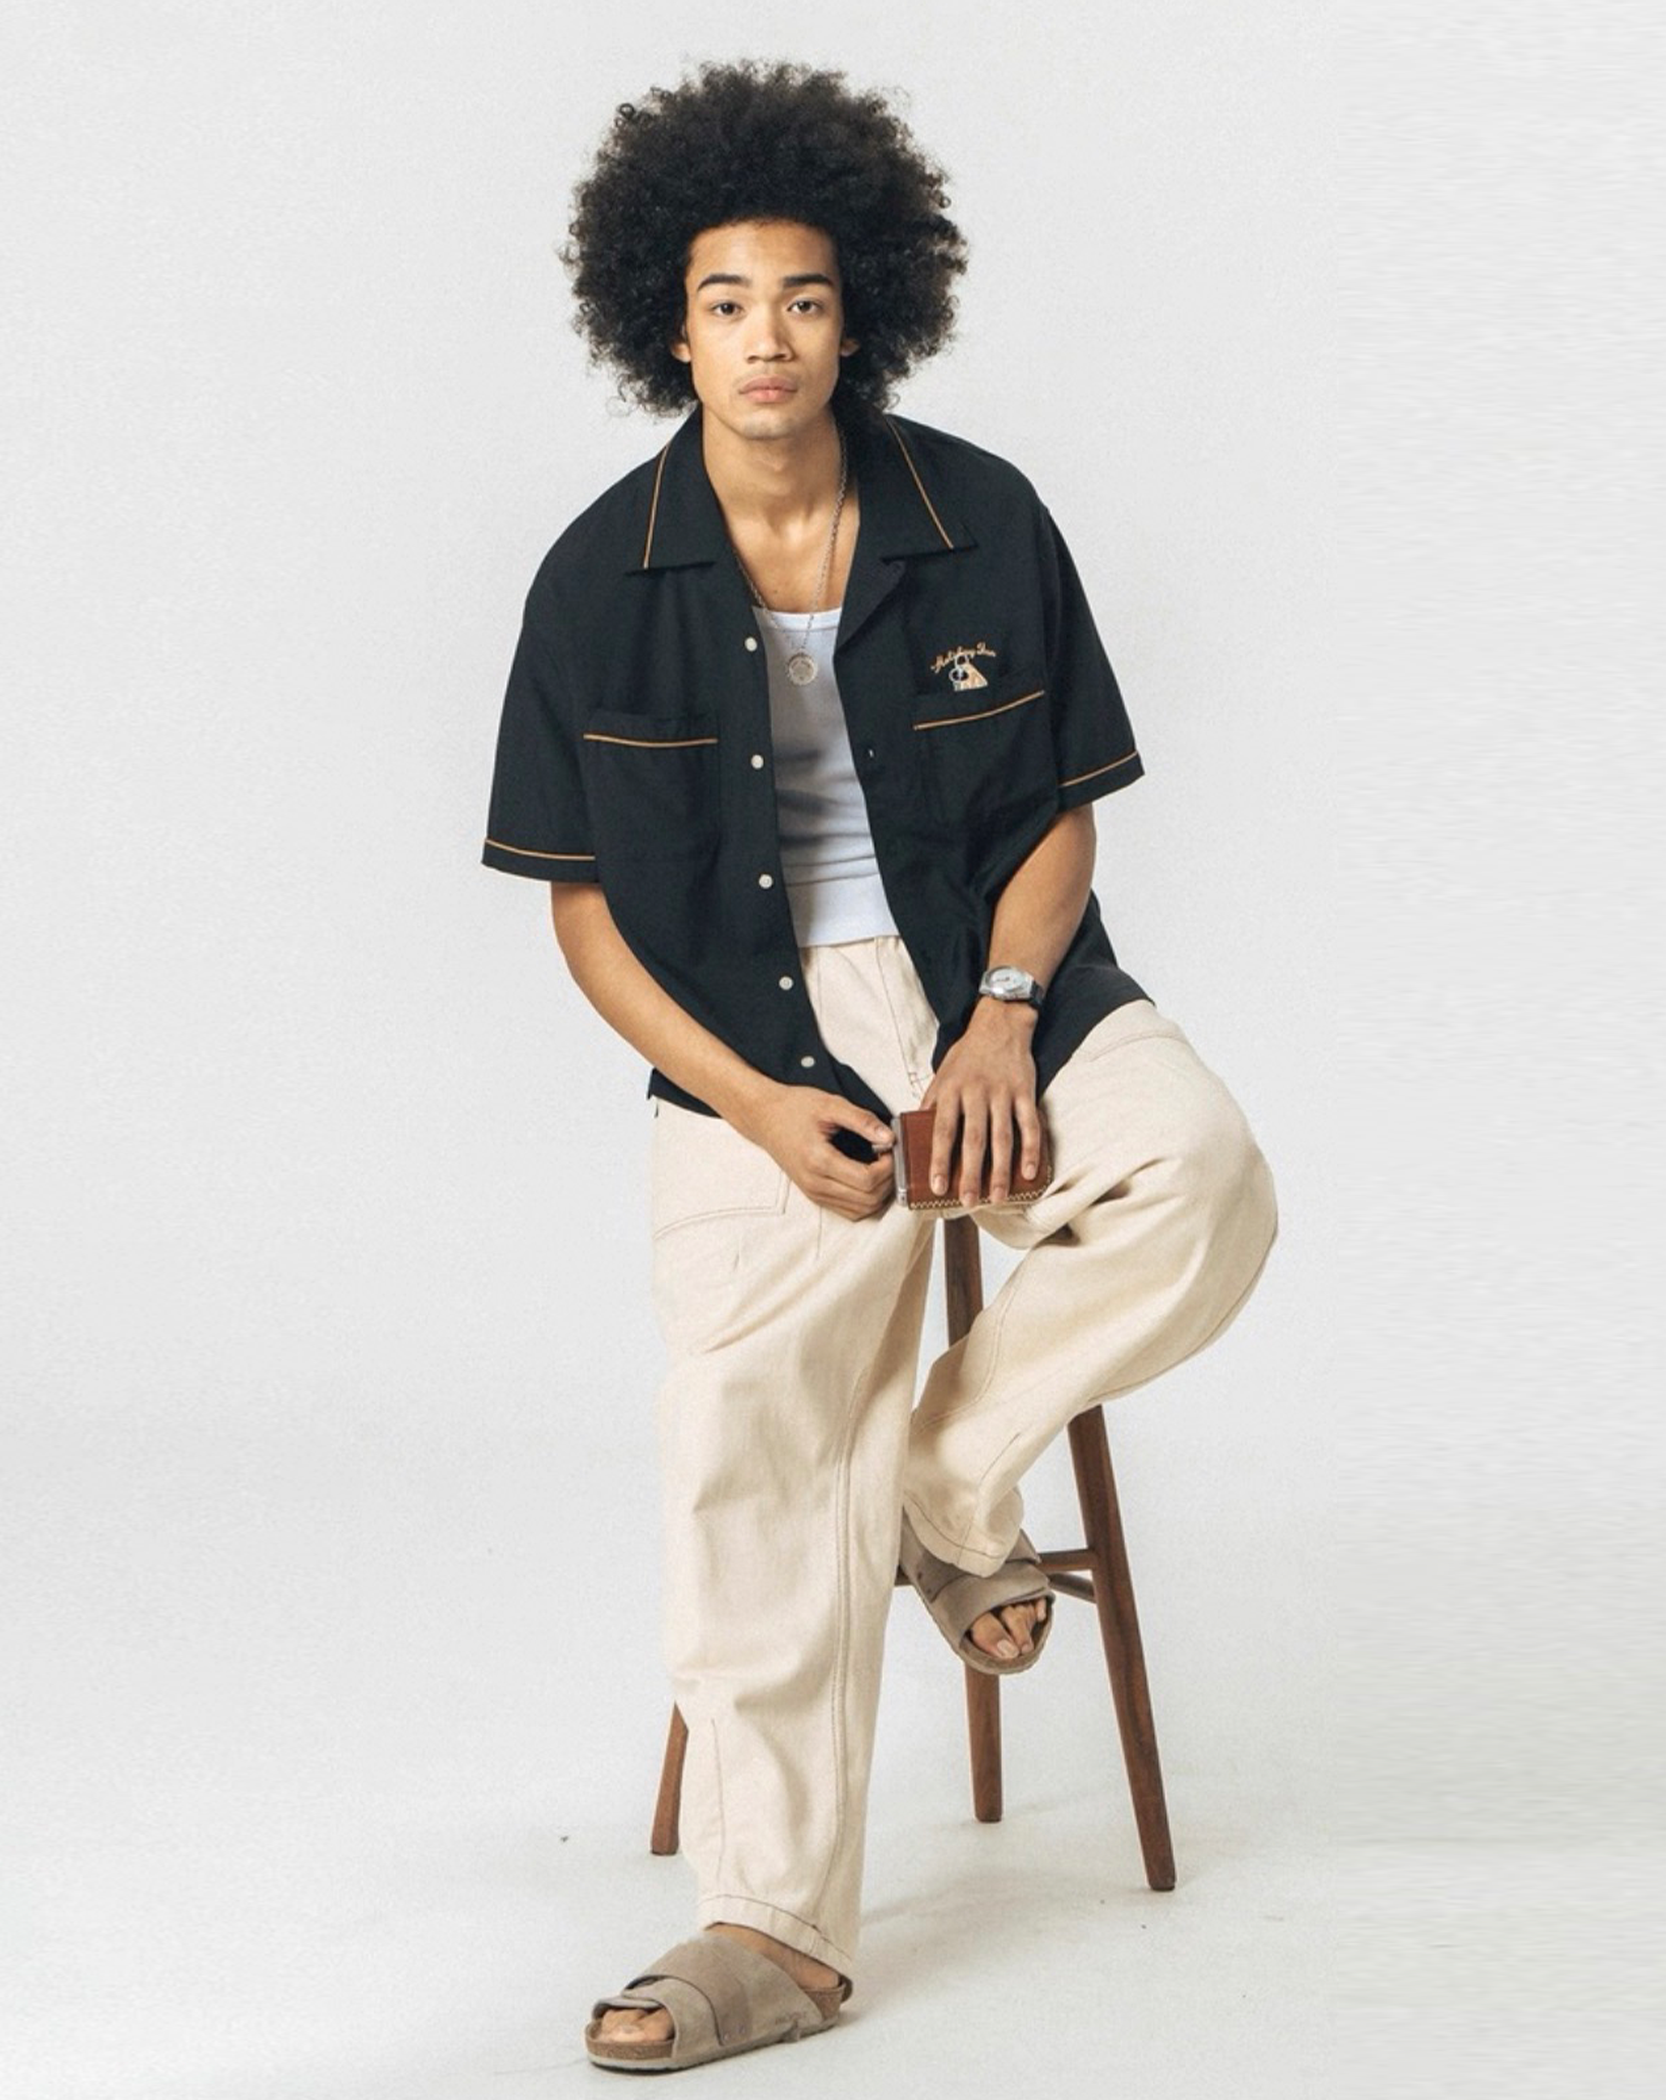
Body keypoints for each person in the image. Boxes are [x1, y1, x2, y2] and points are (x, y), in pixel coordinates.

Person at [480, 58, 1280, 2075]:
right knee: (742, 1435)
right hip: (743, 1045)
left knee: (1201, 1175)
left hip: (996, 983)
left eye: (805, 298)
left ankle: (942, 1476)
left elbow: (1058, 813)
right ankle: (766, 1926)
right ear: (665, 326)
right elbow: (584, 913)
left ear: (863, 319)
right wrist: (756, 1105)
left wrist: (1003, 1016)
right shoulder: (594, 580)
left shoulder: (976, 518)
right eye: (726, 300)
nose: (767, 335)